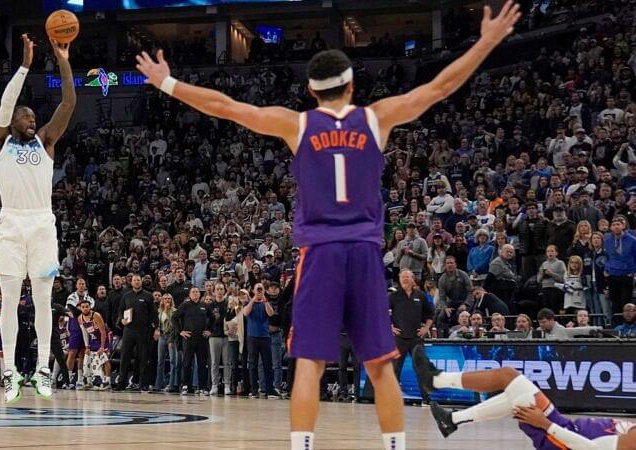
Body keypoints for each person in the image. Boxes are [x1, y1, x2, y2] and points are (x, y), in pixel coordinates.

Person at [135, 4, 521, 447]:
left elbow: (226, 107)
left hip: (319, 253)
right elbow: (439, 87)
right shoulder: (376, 118)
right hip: (364, 253)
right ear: (351, 85)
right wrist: (488, 39)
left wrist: (165, 80)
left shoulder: (296, 124)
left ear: (311, 91)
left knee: (309, 365)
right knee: (379, 366)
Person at [0, 35, 75, 402]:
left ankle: (43, 367)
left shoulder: (45, 141)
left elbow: (70, 102)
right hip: (10, 223)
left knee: (43, 299)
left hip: (42, 222)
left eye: (33, 116)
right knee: (10, 298)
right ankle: (10, 372)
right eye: (26, 116)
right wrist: (26, 65)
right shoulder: (0, 142)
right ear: (13, 121)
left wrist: (62, 60)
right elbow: (4, 107)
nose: (33, 119)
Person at [418, 365, 636, 449]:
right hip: (563, 427)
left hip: (558, 438)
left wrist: (546, 424)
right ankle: (453, 420)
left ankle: (436, 380)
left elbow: (590, 449)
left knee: (508, 377)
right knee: (515, 397)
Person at [389, 270, 434, 384]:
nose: (404, 279)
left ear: (413, 279)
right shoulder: (393, 296)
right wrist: (389, 327)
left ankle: (426, 400)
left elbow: (430, 314)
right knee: (395, 369)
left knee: (422, 369)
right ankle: (394, 399)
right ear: (399, 280)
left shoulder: (420, 295)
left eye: (407, 277)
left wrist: (426, 328)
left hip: (416, 338)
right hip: (399, 339)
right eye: (402, 277)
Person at [115, 275, 159, 391]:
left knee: (143, 358)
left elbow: (154, 314)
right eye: (134, 280)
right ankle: (121, 383)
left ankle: (143, 383)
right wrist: (121, 320)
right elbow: (120, 311)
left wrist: (156, 328)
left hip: (143, 331)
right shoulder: (126, 296)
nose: (137, 282)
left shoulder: (148, 296)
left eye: (138, 280)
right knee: (125, 357)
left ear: (141, 282)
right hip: (129, 330)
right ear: (131, 282)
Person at [173, 286, 210, 396]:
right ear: (189, 294)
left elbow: (213, 318)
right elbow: (174, 318)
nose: (195, 293)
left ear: (200, 294)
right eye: (193, 292)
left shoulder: (205, 306)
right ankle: (185, 385)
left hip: (201, 339)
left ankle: (202, 387)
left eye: (197, 292)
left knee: (202, 363)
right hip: (188, 338)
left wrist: (210, 330)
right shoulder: (185, 305)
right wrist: (180, 331)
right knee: (187, 363)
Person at [243, 283, 276, 399]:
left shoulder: (266, 302)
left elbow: (271, 313)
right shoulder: (248, 303)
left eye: (261, 289)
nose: (259, 291)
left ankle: (269, 390)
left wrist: (264, 300)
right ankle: (254, 390)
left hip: (265, 336)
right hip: (252, 337)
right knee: (253, 364)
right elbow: (245, 313)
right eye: (257, 289)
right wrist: (253, 299)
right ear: (253, 290)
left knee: (268, 364)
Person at [604, 217, 636, 317]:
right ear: (610, 227)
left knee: (625, 302)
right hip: (612, 274)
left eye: (618, 224)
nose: (616, 227)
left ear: (623, 226)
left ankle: (627, 325)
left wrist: (633, 271)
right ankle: (616, 326)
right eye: (614, 225)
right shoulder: (607, 240)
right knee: (614, 302)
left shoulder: (632, 240)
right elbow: (604, 256)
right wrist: (605, 270)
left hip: (626, 275)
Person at [77, 299, 111, 390]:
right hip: (94, 338)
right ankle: (89, 381)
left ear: (90, 307)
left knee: (104, 357)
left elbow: (103, 332)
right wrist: (87, 346)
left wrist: (102, 346)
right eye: (83, 307)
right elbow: (85, 332)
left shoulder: (96, 315)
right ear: (80, 308)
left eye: (87, 307)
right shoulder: (80, 318)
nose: (85, 309)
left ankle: (107, 381)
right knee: (90, 358)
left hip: (104, 337)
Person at [154, 293, 178, 392]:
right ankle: (158, 385)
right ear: (162, 300)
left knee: (173, 361)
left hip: (171, 336)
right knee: (160, 361)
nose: (167, 300)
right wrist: (157, 329)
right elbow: (158, 323)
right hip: (162, 335)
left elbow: (173, 324)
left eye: (169, 299)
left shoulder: (174, 311)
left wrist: (168, 311)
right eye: (165, 299)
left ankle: (172, 384)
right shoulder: (160, 311)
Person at [537, 245, 566, 313]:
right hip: (545, 289)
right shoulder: (544, 264)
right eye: (548, 251)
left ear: (556, 253)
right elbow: (538, 280)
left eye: (552, 251)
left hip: (555, 289)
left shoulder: (560, 263)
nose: (550, 253)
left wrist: (552, 274)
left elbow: (563, 278)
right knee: (546, 309)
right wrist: (542, 274)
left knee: (555, 309)